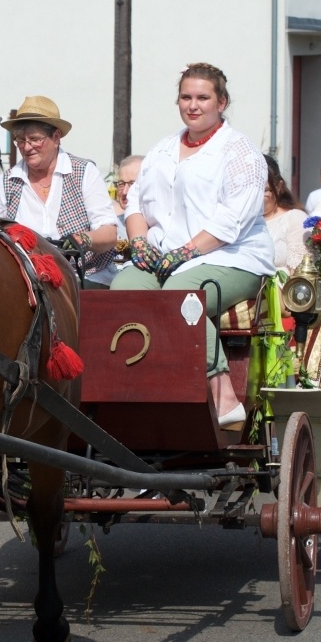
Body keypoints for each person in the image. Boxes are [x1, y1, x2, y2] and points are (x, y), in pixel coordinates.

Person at [112, 62, 275, 428]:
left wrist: (185, 252)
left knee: (180, 292)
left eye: (203, 97)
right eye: (186, 97)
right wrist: (139, 244)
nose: (193, 105)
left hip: (232, 258)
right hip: (165, 258)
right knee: (121, 290)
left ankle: (222, 393)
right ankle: (129, 391)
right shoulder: (163, 149)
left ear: (222, 102)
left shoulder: (239, 151)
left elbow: (233, 219)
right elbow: (135, 203)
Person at [0, 95, 117, 282]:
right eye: (20, 140)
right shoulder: (6, 182)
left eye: (34, 139)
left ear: (56, 137)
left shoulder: (83, 172)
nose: (26, 147)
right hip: (27, 278)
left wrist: (82, 239)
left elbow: (109, 234)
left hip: (86, 275)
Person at [91, 154, 143, 286]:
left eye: (132, 184)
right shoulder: (104, 219)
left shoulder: (158, 225)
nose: (125, 191)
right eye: (121, 184)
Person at [263, 155, 307, 272]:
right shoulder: (236, 220)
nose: (254, 196)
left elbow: (299, 276)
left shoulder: (294, 219)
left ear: (279, 187)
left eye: (264, 190)